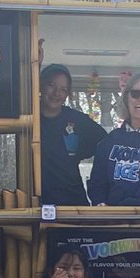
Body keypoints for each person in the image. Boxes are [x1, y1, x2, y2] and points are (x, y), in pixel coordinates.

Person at [88, 71, 140, 206]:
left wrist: (123, 209)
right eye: (136, 93)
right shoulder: (110, 141)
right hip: (111, 221)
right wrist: (101, 204)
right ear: (127, 98)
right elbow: (97, 183)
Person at [39, 63, 107, 206]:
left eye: (63, 89)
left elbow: (105, 142)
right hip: (38, 203)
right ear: (41, 85)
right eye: (51, 85)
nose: (57, 93)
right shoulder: (30, 119)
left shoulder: (77, 119)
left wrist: (78, 153)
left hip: (74, 202)